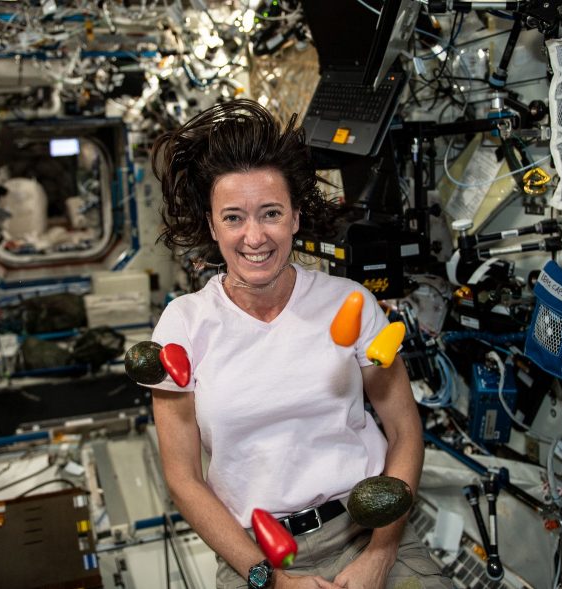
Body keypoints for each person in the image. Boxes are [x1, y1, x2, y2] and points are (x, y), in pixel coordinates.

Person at [149, 99, 451, 589]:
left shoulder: (348, 302)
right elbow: (184, 479)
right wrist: (271, 580)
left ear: (293, 217)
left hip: (370, 528)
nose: (254, 237)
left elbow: (404, 430)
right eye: (233, 218)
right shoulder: (183, 325)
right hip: (256, 552)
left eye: (270, 213)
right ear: (211, 226)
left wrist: (381, 552)